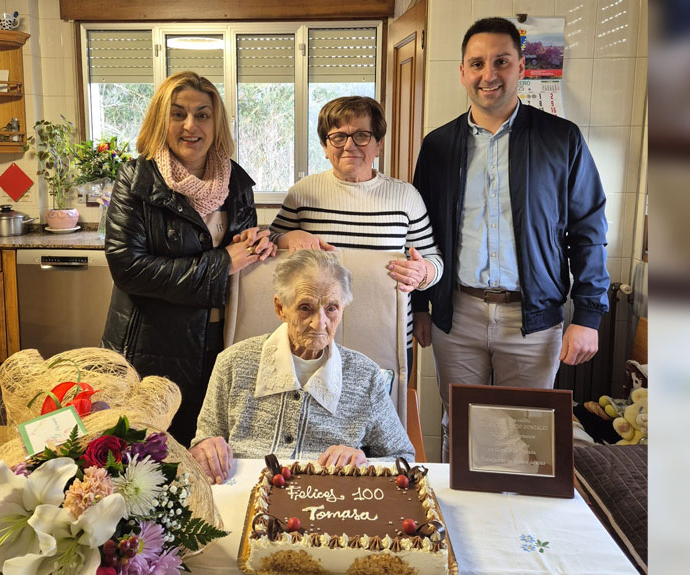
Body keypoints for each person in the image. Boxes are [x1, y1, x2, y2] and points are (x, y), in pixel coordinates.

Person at [411, 18, 609, 461]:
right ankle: (460, 527)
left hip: (533, 319)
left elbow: (589, 229)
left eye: (501, 61)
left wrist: (590, 315)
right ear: (462, 72)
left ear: (522, 66)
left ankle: (520, 529)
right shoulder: (438, 145)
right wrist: (421, 307)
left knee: (527, 434)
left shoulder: (562, 139)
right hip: (456, 316)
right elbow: (419, 233)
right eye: (477, 63)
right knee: (460, 429)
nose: (489, 74)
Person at [102, 71, 275, 446]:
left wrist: (263, 242)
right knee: (149, 457)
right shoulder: (136, 179)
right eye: (178, 114)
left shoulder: (238, 184)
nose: (190, 125)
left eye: (202, 114)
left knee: (210, 452)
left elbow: (242, 259)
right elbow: (128, 269)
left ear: (216, 124)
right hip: (150, 349)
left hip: (220, 343)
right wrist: (222, 262)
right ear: (160, 120)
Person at [189, 250, 415, 484]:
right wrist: (205, 449)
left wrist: (363, 461)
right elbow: (204, 443)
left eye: (331, 308)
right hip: (244, 494)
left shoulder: (365, 376)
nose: (320, 323)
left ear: (342, 311)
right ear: (280, 308)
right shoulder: (233, 363)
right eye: (305, 308)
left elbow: (404, 457)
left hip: (330, 506)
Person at [269, 96, 443, 356]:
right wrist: (287, 237)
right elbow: (270, 244)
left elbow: (434, 260)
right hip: (314, 336)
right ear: (325, 147)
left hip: (386, 337)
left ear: (378, 144)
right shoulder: (302, 193)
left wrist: (423, 272)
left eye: (361, 135)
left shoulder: (406, 197)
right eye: (338, 137)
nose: (349, 146)